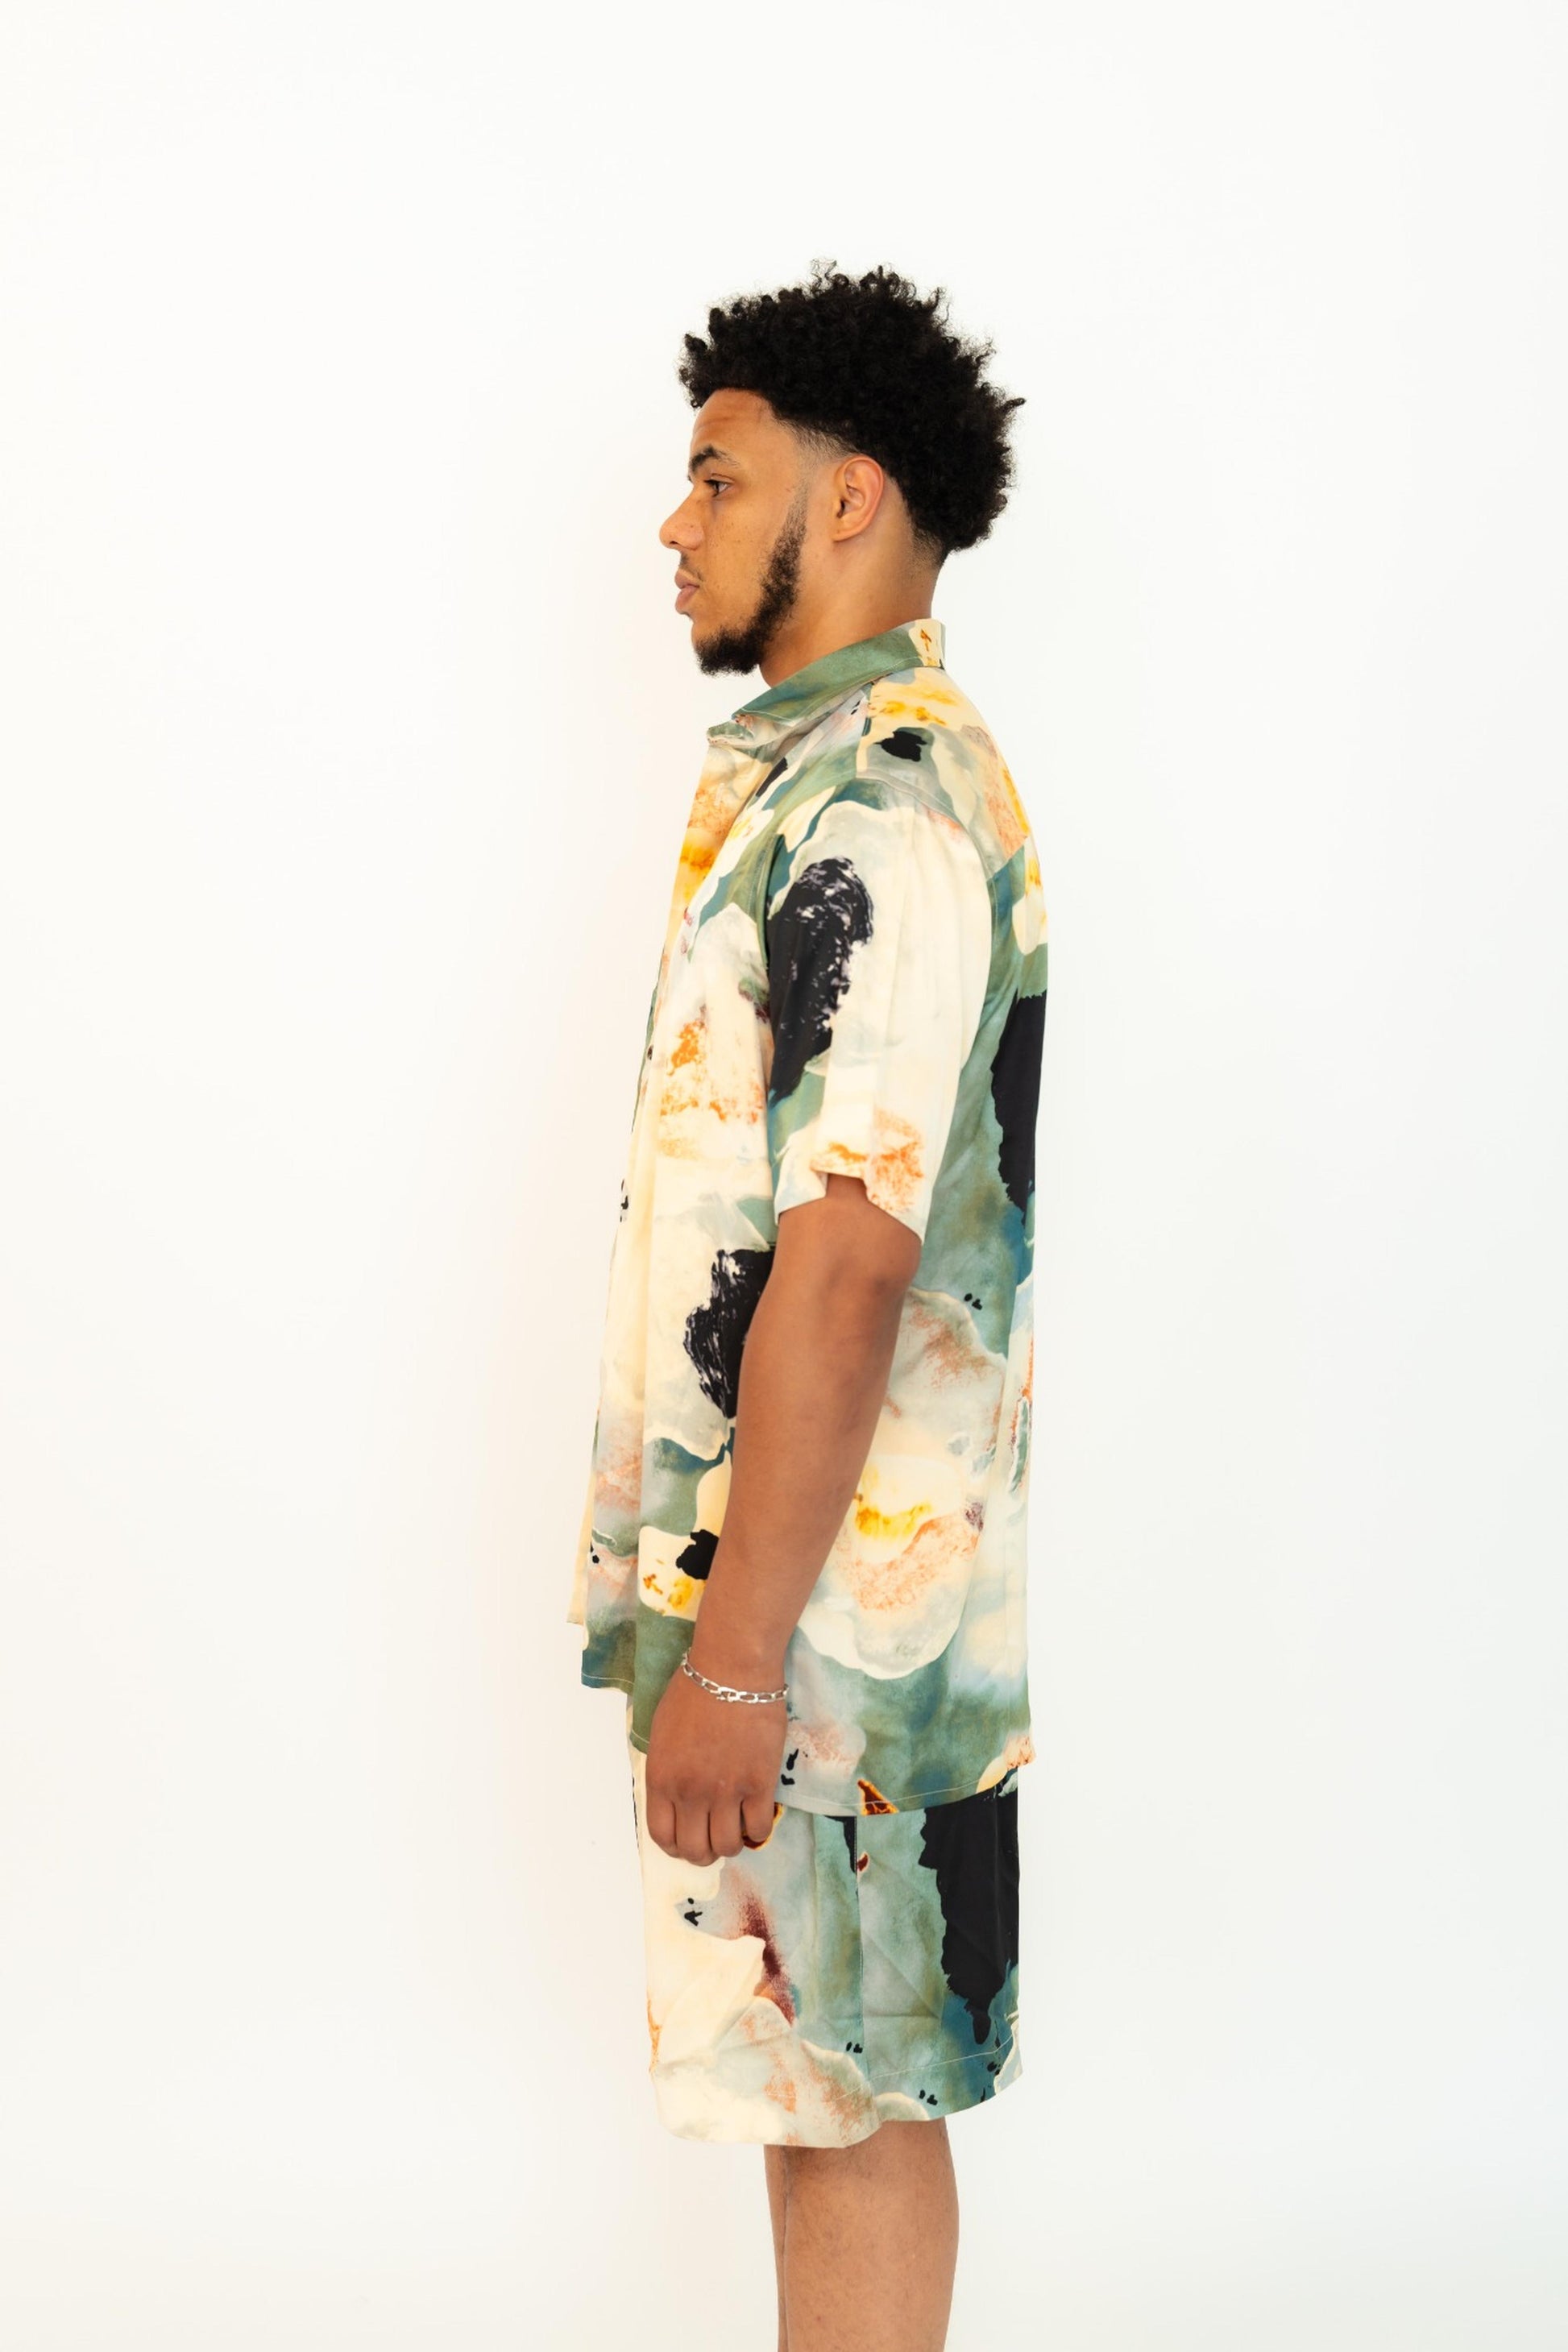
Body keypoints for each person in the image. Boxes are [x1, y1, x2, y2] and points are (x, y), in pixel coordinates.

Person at [565, 262, 1048, 2352]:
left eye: (718, 477)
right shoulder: (813, 780)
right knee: (819, 2091)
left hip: (837, 1630)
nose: (674, 523)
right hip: (813, 1605)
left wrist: (741, 1665)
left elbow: (847, 1271)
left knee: (843, 2102)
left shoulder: (886, 804)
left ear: (848, 500)